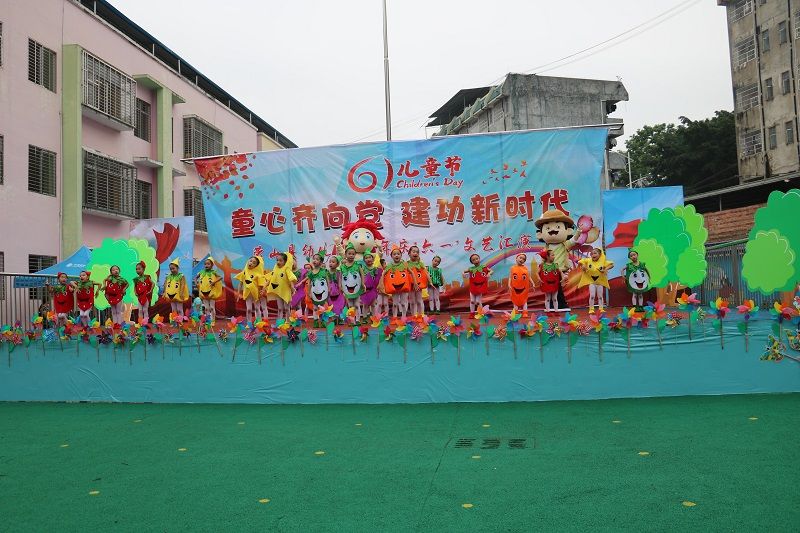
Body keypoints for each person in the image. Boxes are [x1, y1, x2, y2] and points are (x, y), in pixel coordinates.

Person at [577, 248, 614, 314]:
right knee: (592, 296)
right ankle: (591, 309)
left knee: (600, 296)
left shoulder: (603, 262)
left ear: (599, 255)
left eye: (595, 253)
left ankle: (601, 309)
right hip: (592, 282)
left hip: (599, 282)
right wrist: (583, 266)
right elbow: (580, 262)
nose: (593, 254)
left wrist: (605, 269)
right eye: (592, 253)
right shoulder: (588, 260)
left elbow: (612, 265)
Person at [381, 246, 412, 318]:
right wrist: (381, 284)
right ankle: (394, 317)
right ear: (391, 256)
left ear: (401, 255)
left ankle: (404, 317)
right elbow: (383, 273)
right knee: (395, 303)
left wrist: (415, 283)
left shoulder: (404, 264)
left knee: (403, 303)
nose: (396, 255)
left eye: (398, 254)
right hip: (394, 287)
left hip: (403, 287)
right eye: (394, 254)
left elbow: (411, 273)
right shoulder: (389, 266)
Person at [266, 252, 297, 320]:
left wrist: (292, 287)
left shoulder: (287, 269)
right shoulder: (275, 269)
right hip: (278, 292)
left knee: (286, 308)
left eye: (280, 260)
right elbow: (270, 278)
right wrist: (264, 286)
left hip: (286, 292)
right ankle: (279, 322)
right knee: (280, 308)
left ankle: (288, 321)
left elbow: (291, 278)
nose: (278, 262)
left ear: (285, 261)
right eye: (277, 260)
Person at [235, 255, 266, 322]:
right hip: (247, 293)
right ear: (248, 261)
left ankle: (259, 322)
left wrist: (261, 292)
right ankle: (249, 323)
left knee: (257, 308)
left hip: (256, 294)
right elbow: (240, 284)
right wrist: (238, 294)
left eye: (254, 263)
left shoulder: (258, 274)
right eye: (251, 261)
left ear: (256, 266)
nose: (251, 263)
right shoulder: (244, 272)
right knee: (249, 309)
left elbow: (261, 285)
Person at [195, 257, 222, 322]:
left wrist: (214, 282)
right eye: (205, 264)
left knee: (212, 307)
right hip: (204, 292)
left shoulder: (213, 272)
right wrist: (196, 283)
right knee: (206, 308)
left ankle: (213, 320)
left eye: (208, 264)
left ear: (212, 265)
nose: (206, 265)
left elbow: (220, 277)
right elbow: (196, 277)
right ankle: (208, 320)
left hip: (211, 292)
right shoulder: (201, 272)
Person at [305, 253, 330, 318]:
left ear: (321, 262)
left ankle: (323, 321)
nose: (315, 260)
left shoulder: (324, 271)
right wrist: (309, 292)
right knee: (315, 307)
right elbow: (309, 283)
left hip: (322, 292)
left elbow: (327, 281)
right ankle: (316, 320)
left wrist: (329, 289)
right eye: (314, 259)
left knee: (323, 307)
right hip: (314, 292)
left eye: (317, 259)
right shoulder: (311, 272)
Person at [406, 245, 429, 317]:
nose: (415, 253)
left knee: (419, 300)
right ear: (409, 253)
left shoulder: (420, 263)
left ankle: (421, 314)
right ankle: (414, 315)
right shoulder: (406, 264)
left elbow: (425, 273)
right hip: (411, 285)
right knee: (412, 301)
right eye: (413, 252)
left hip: (418, 285)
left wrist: (429, 282)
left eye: (417, 252)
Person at [360, 251, 383, 317]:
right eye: (366, 258)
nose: (368, 259)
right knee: (365, 304)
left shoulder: (375, 268)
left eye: (369, 257)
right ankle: (364, 317)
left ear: (372, 259)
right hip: (365, 289)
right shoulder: (362, 268)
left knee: (373, 304)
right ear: (364, 260)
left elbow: (377, 278)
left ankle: (374, 317)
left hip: (373, 289)